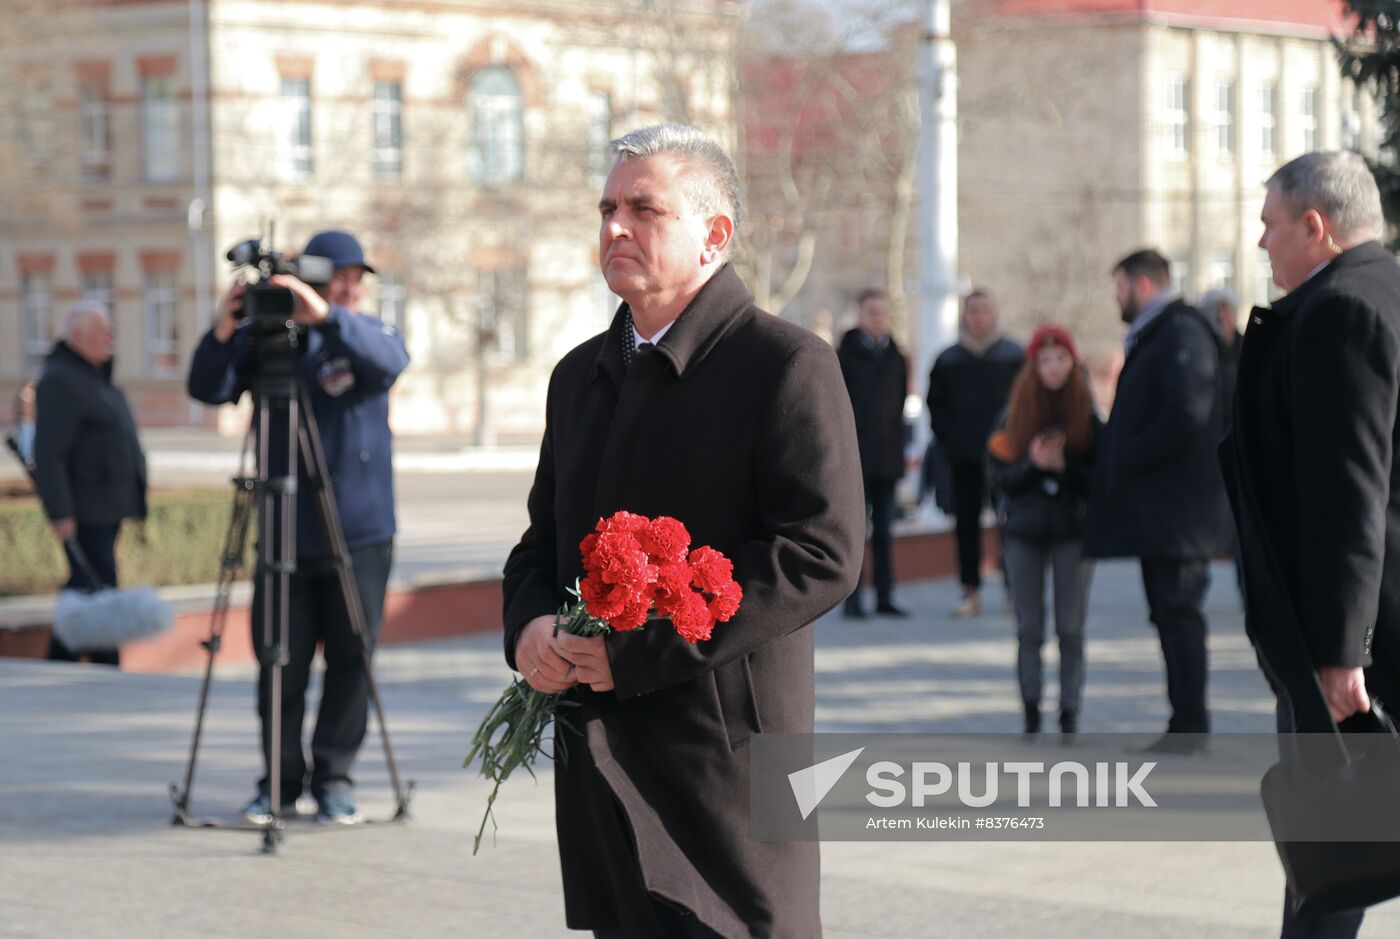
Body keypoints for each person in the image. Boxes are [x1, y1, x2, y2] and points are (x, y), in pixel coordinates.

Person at [501, 124, 864, 938]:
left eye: (643, 208)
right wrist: (527, 628)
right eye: (606, 208)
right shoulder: (579, 376)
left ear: (715, 235)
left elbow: (822, 553)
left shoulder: (785, 364)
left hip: (725, 767)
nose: (615, 227)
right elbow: (539, 544)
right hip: (601, 762)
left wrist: (639, 648)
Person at [1223, 150, 1400, 939]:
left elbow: (1348, 495)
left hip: (1366, 642)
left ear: (1314, 226)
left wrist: (1339, 653)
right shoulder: (1387, 290)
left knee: (1334, 857)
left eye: (1269, 224)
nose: (1262, 243)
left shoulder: (1341, 311)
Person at [187, 230, 409, 825]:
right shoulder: (273, 338)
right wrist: (223, 328)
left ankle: (334, 778)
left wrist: (327, 316)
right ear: (310, 276)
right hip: (285, 526)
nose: (351, 287)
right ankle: (278, 787)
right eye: (341, 276)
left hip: (358, 533)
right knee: (278, 662)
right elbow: (207, 388)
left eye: (357, 278)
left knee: (351, 659)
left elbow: (391, 362)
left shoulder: (361, 333)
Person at [1085, 248, 1232, 754]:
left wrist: (1128, 452)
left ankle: (1191, 727)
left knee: (1180, 616)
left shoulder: (1179, 331)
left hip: (1180, 515)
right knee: (1171, 615)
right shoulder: (1164, 331)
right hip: (1168, 515)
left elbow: (1187, 414)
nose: (1116, 297)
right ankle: (1185, 722)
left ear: (1141, 285)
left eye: (1120, 286)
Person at [987, 325, 1098, 738]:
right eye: (1044, 360)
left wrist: (1064, 469)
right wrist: (1033, 465)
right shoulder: (1013, 412)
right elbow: (997, 477)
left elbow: (1100, 479)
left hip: (1073, 531)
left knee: (1070, 627)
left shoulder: (1086, 413)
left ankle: (1070, 712)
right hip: (1024, 531)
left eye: (1060, 359)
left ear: (1073, 363)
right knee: (1028, 627)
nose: (1053, 368)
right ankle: (1031, 710)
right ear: (1033, 366)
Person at [32, 300, 147, 667]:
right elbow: (49, 454)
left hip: (105, 508)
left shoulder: (95, 378)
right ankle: (106, 664)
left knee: (87, 587)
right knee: (98, 588)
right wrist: (60, 512)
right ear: (77, 336)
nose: (109, 338)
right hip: (84, 510)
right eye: (101, 332)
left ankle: (61, 660)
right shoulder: (61, 380)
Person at [926, 290, 1025, 617]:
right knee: (965, 527)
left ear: (994, 313)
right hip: (963, 459)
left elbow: (1026, 405)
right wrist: (951, 442)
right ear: (964, 315)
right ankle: (970, 591)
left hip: (1007, 459)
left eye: (985, 310)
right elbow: (935, 408)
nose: (979, 317)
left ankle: (1015, 591)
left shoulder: (1014, 355)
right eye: (973, 311)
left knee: (1011, 524)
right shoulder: (948, 359)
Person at [837, 288, 910, 618]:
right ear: (860, 315)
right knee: (855, 531)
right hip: (855, 457)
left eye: (882, 312)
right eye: (871, 312)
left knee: (884, 530)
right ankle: (852, 599)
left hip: (888, 458)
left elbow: (898, 409)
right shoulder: (845, 354)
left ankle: (885, 596)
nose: (878, 317)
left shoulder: (896, 356)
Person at [13, 379, 37, 468]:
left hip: (31, 421)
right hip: (26, 421)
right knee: (26, 439)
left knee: (30, 439)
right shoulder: (25, 395)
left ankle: (29, 456)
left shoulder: (32, 395)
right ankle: (26, 456)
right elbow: (21, 409)